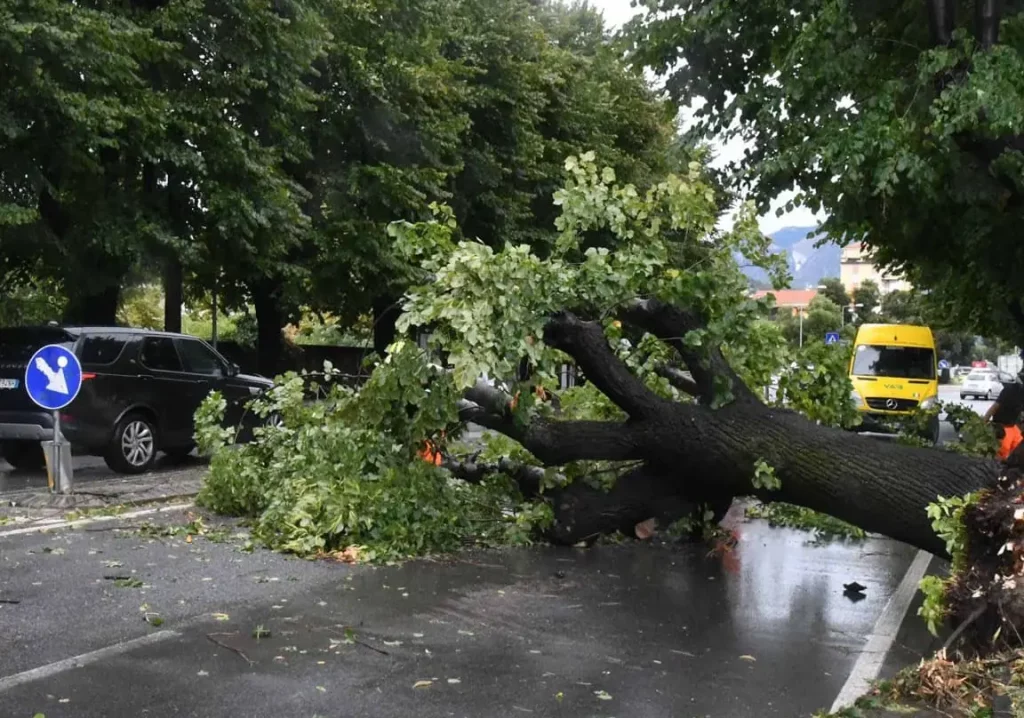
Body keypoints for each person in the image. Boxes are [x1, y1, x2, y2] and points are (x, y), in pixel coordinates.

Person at [985, 369, 1024, 459]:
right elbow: (994, 407)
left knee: (1019, 449)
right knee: (1003, 453)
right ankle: (1000, 470)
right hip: (1002, 427)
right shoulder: (1009, 390)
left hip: (1013, 426)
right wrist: (983, 422)